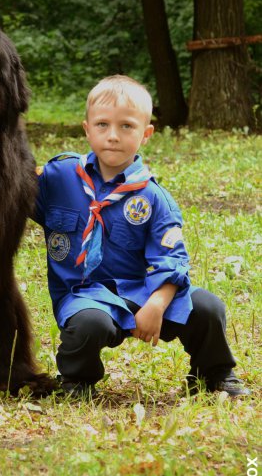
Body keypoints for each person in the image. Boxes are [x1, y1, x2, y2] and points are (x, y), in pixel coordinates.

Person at [34, 75, 249, 399]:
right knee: (89, 324)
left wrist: (157, 304)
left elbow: (172, 258)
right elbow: (8, 192)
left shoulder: (153, 197)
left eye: (126, 126)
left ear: (146, 134)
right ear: (87, 129)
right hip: (85, 295)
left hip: (144, 291)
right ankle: (76, 381)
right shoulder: (59, 177)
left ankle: (214, 374)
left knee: (207, 307)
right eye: (103, 124)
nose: (113, 135)